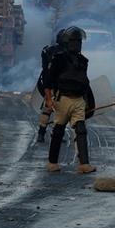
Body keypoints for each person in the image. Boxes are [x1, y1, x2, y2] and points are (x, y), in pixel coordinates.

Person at [44, 26, 96, 174]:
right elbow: (49, 80)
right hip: (63, 99)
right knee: (59, 130)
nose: (76, 44)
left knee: (81, 130)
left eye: (78, 41)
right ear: (67, 42)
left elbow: (85, 83)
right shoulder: (58, 59)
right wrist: (49, 99)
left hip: (79, 99)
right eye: (73, 41)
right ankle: (52, 163)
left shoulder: (83, 61)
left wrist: (89, 103)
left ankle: (84, 164)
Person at [36, 29, 65, 143]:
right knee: (61, 111)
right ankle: (55, 134)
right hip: (60, 85)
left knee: (47, 110)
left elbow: (45, 69)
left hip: (49, 83)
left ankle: (41, 134)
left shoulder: (48, 50)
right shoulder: (67, 53)